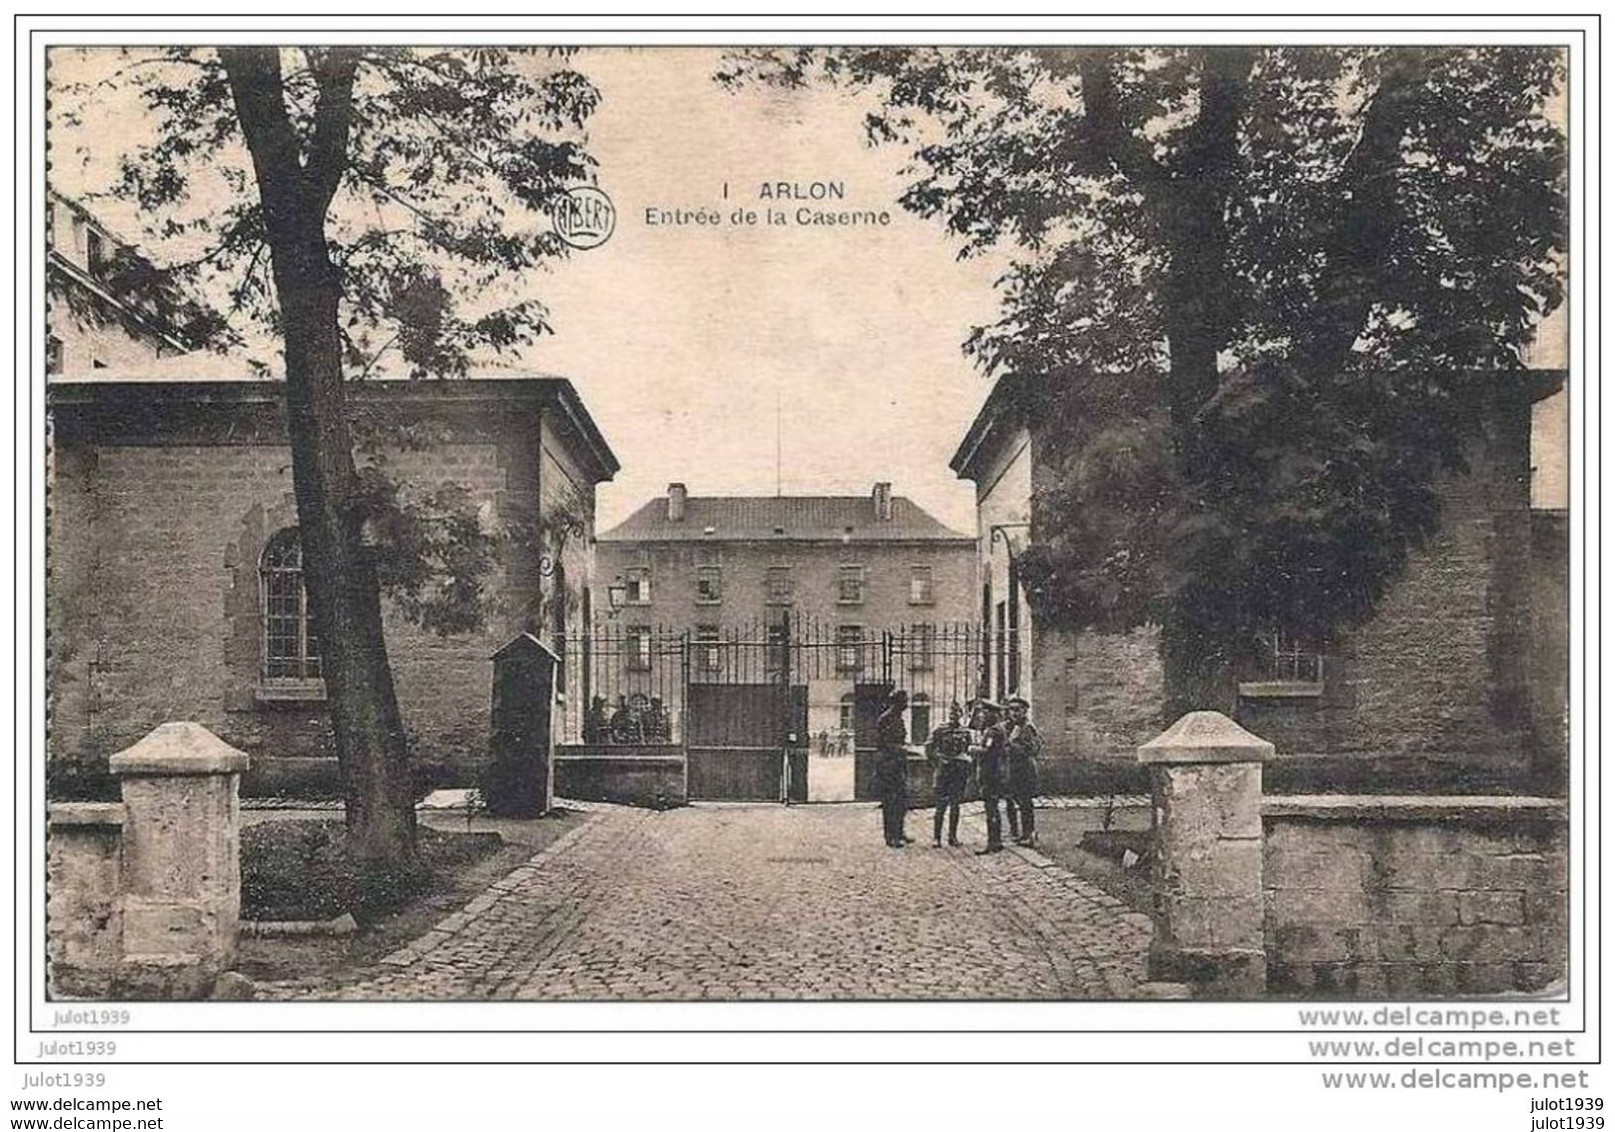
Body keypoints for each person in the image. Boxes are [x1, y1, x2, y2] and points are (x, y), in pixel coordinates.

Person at [925, 700, 973, 847]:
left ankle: (952, 837)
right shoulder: (940, 730)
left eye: (957, 713)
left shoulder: (965, 732)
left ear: (961, 715)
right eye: (952, 713)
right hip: (944, 771)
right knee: (940, 805)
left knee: (955, 804)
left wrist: (965, 762)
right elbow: (929, 747)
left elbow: (967, 749)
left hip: (958, 772)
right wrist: (938, 761)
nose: (954, 716)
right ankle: (936, 838)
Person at [971, 699, 1009, 854]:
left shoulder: (993, 731)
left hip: (991, 774)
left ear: (992, 715)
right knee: (992, 807)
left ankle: (993, 842)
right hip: (992, 773)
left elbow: (987, 750)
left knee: (991, 808)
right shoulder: (995, 729)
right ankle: (996, 841)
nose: (981, 716)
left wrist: (972, 748)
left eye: (984, 713)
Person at [875, 689, 912, 848]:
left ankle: (900, 832)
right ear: (897, 702)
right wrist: (903, 749)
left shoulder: (898, 718)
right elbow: (885, 743)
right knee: (890, 801)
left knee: (901, 799)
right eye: (904, 701)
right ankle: (891, 836)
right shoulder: (886, 718)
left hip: (898, 763)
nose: (907, 704)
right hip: (888, 764)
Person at [1005, 696, 1043, 847]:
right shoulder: (1015, 727)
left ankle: (1029, 834)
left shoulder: (1027, 727)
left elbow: (1033, 749)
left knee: (1025, 802)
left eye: (1017, 710)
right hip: (1015, 769)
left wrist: (1012, 743)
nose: (1013, 713)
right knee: (1018, 801)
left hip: (1025, 770)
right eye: (1011, 710)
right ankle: (1025, 833)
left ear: (1024, 711)